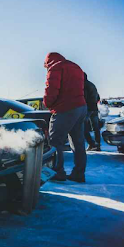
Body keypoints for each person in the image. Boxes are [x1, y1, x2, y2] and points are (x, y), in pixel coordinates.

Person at [43, 52, 88, 183]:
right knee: (78, 142)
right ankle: (79, 173)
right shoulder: (76, 67)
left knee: (55, 141)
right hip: (81, 107)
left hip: (65, 108)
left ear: (48, 62)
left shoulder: (55, 68)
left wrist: (47, 103)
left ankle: (58, 172)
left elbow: (51, 90)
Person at [83, 73, 101, 152]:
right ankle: (97, 145)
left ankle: (91, 144)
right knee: (95, 128)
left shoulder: (84, 85)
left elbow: (84, 97)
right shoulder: (92, 85)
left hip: (88, 108)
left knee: (83, 127)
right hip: (94, 108)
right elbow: (98, 97)